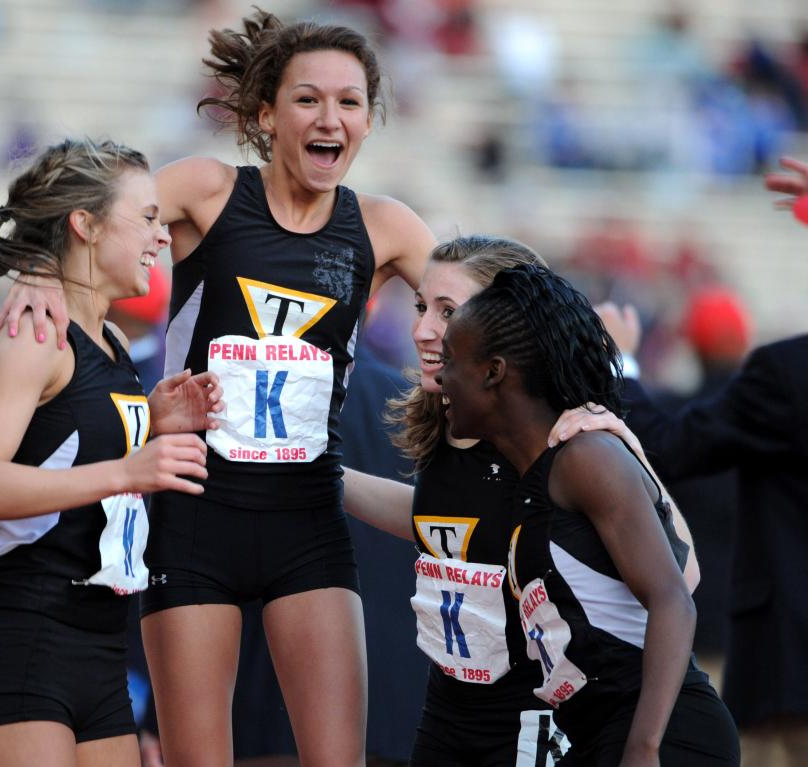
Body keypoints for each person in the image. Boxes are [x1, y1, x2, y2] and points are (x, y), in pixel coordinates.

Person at [0, 9, 435, 765]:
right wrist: (41, 268)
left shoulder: (388, 229)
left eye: (350, 101)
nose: (330, 117)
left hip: (309, 523)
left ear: (369, 118)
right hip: (197, 520)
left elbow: (492, 309)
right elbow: (99, 217)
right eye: (308, 99)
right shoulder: (208, 189)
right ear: (266, 114)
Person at [341, 235, 701, 766]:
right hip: (448, 707)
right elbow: (442, 520)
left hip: (540, 712)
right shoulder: (450, 413)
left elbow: (683, 577)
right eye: (421, 306)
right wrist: (324, 477)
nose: (423, 330)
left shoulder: (551, 434)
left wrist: (630, 446)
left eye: (448, 311)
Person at [0, 138, 221, 766]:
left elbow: (65, 448)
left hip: (98, 649)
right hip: (21, 640)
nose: (162, 236)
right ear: (85, 225)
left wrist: (154, 424)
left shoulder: (114, 340)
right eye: (147, 218)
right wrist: (127, 466)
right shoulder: (36, 335)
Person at [438, 264, 738, 765]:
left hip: (663, 736)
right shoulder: (530, 479)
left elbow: (674, 596)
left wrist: (644, 748)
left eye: (451, 359)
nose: (440, 374)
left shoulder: (584, 457)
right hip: (597, 735)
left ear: (493, 371)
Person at [582, 154, 808, 767]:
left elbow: (665, 446)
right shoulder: (764, 389)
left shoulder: (780, 381)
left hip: (771, 661)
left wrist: (617, 361)